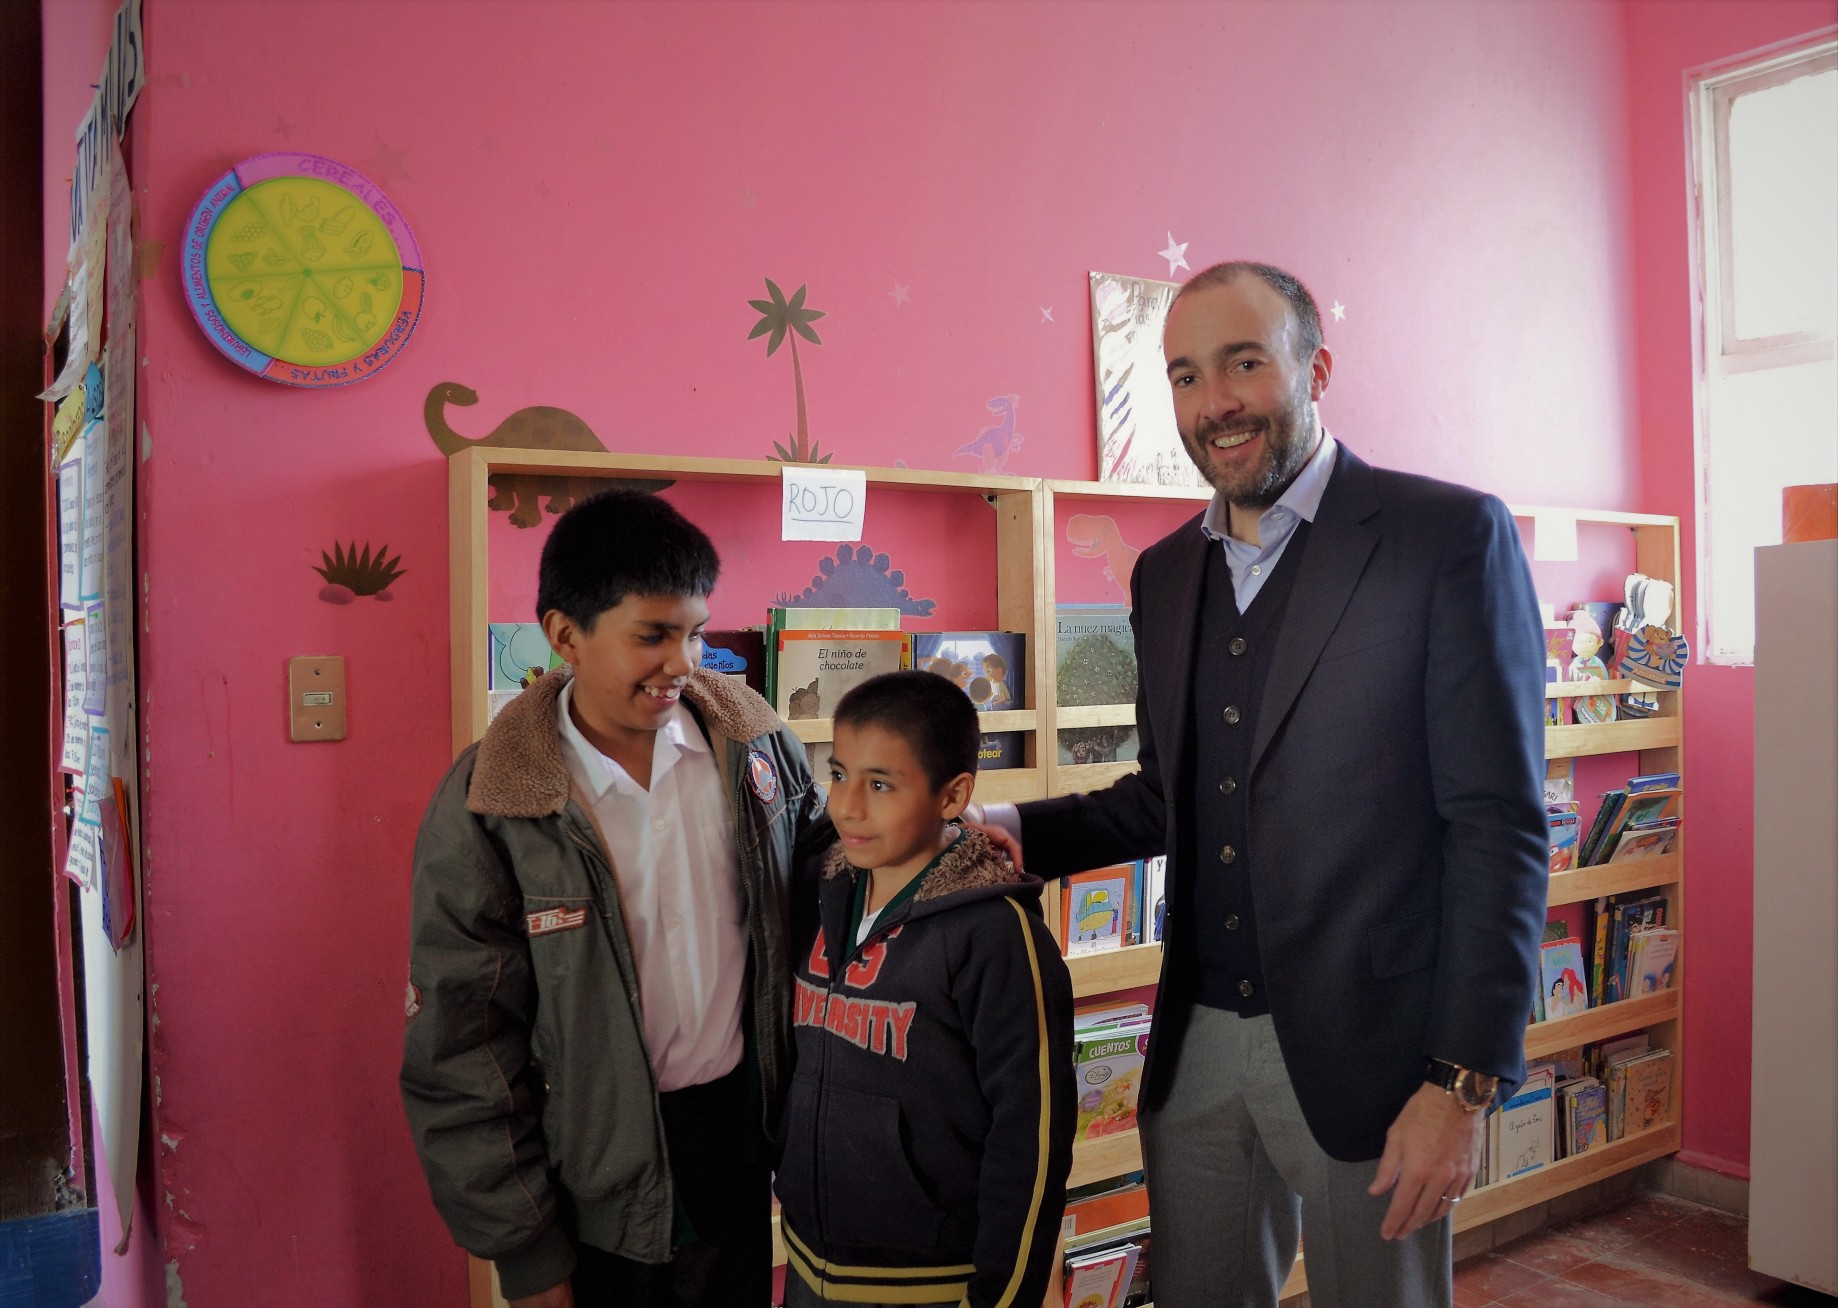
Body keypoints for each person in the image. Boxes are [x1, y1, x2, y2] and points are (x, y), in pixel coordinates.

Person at [970, 262, 1547, 1307]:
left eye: (1244, 364)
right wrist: (1012, 824)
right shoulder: (1162, 574)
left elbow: (1496, 826)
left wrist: (1459, 1084)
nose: (1215, 403)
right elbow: (1168, 796)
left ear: (1314, 370)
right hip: (1194, 1047)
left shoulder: (1445, 537)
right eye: (1186, 376)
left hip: (1379, 1058)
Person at [400, 489, 830, 1308]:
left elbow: (830, 882)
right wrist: (525, 1251)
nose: (684, 662)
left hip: (744, 1155)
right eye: (652, 636)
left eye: (695, 633)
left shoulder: (756, 750)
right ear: (565, 635)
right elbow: (461, 1046)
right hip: (590, 1192)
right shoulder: (493, 804)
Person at [776, 670, 1075, 1308]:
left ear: (953, 795)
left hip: (932, 1283)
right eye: (838, 774)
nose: (848, 806)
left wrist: (1004, 1298)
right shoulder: (818, 889)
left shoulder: (997, 935)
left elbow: (1032, 1140)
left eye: (881, 784)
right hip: (807, 1264)